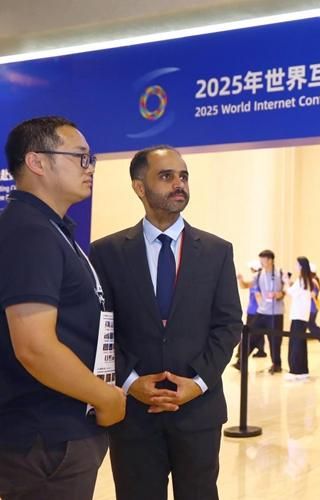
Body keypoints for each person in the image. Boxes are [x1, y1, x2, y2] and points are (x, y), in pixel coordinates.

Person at [88, 145, 242, 500]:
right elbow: (101, 329)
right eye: (167, 176)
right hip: (133, 414)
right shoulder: (107, 252)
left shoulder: (217, 251)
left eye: (183, 176)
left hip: (198, 412)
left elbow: (228, 324)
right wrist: (131, 382)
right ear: (139, 187)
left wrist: (197, 383)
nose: (179, 184)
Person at [0, 116, 125, 500]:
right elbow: (34, 347)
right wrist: (106, 397)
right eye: (80, 157)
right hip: (44, 440)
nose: (90, 168)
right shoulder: (30, 232)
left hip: (59, 430)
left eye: (91, 159)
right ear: (37, 162)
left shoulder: (50, 229)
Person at [252, 249, 286, 373]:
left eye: (264, 259)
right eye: (260, 259)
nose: (261, 262)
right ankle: (241, 361)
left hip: (276, 312)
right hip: (262, 311)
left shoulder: (280, 273)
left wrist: (279, 294)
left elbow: (287, 288)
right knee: (251, 334)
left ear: (270, 260)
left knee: (275, 340)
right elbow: (255, 290)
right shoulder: (258, 275)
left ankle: (276, 364)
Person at [286, 257, 315, 381]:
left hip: (298, 316)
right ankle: (303, 370)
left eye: (297, 265)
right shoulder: (307, 280)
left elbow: (290, 292)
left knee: (295, 344)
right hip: (302, 316)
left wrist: (286, 281)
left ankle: (295, 371)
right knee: (300, 343)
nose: (295, 267)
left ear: (301, 266)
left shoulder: (301, 280)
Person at [233, 260, 265, 369]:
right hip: (253, 311)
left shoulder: (259, 280)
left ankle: (241, 359)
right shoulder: (255, 280)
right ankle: (243, 357)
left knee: (251, 336)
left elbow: (258, 296)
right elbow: (245, 285)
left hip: (257, 312)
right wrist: (240, 279)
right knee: (253, 335)